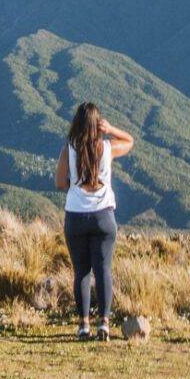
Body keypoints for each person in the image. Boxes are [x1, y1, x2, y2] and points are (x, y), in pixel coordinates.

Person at [55, 102, 134, 341]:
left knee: (81, 273)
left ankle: (83, 325)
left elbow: (59, 182)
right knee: (103, 270)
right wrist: (111, 129)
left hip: (76, 216)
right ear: (97, 124)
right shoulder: (106, 147)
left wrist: (76, 189)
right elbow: (130, 142)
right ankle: (105, 324)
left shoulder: (69, 148)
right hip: (103, 217)